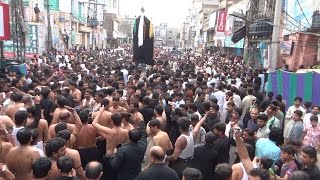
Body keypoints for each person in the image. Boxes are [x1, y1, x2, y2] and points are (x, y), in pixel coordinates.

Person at [166, 113, 208, 178]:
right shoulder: (193, 134)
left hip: (180, 165)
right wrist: (205, 115)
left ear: (179, 127)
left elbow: (175, 157)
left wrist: (165, 158)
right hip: (191, 162)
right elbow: (199, 124)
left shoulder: (180, 139)